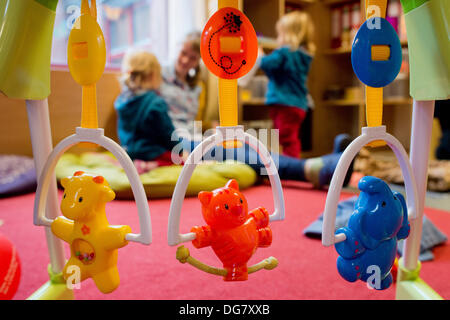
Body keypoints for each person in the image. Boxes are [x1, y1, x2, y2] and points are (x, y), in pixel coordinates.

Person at [256, 11, 316, 159]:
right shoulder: (303, 55)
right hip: (297, 104)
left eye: (280, 35)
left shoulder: (285, 53)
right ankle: (289, 162)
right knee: (289, 137)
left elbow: (266, 63)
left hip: (285, 103)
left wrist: (259, 53)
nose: (278, 39)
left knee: (287, 138)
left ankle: (292, 166)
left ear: (290, 35)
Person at [114, 50, 185, 170]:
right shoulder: (155, 103)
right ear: (153, 75)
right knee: (181, 162)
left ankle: (136, 163)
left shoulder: (122, 101)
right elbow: (167, 133)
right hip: (151, 153)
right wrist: (179, 149)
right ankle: (147, 165)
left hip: (128, 153)